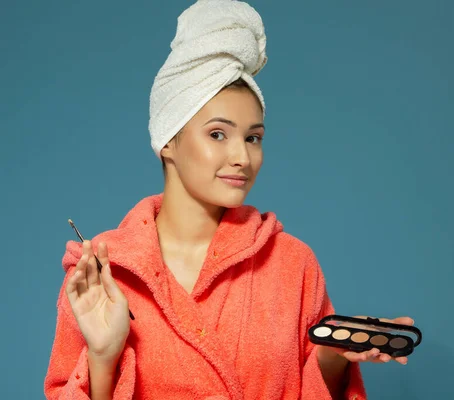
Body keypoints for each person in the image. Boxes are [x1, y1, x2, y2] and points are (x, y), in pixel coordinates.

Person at [44, 1, 414, 399]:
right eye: (218, 134)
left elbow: (313, 388)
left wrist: (332, 355)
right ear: (168, 139)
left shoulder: (293, 264)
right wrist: (103, 356)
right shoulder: (103, 270)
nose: (242, 157)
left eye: (253, 137)